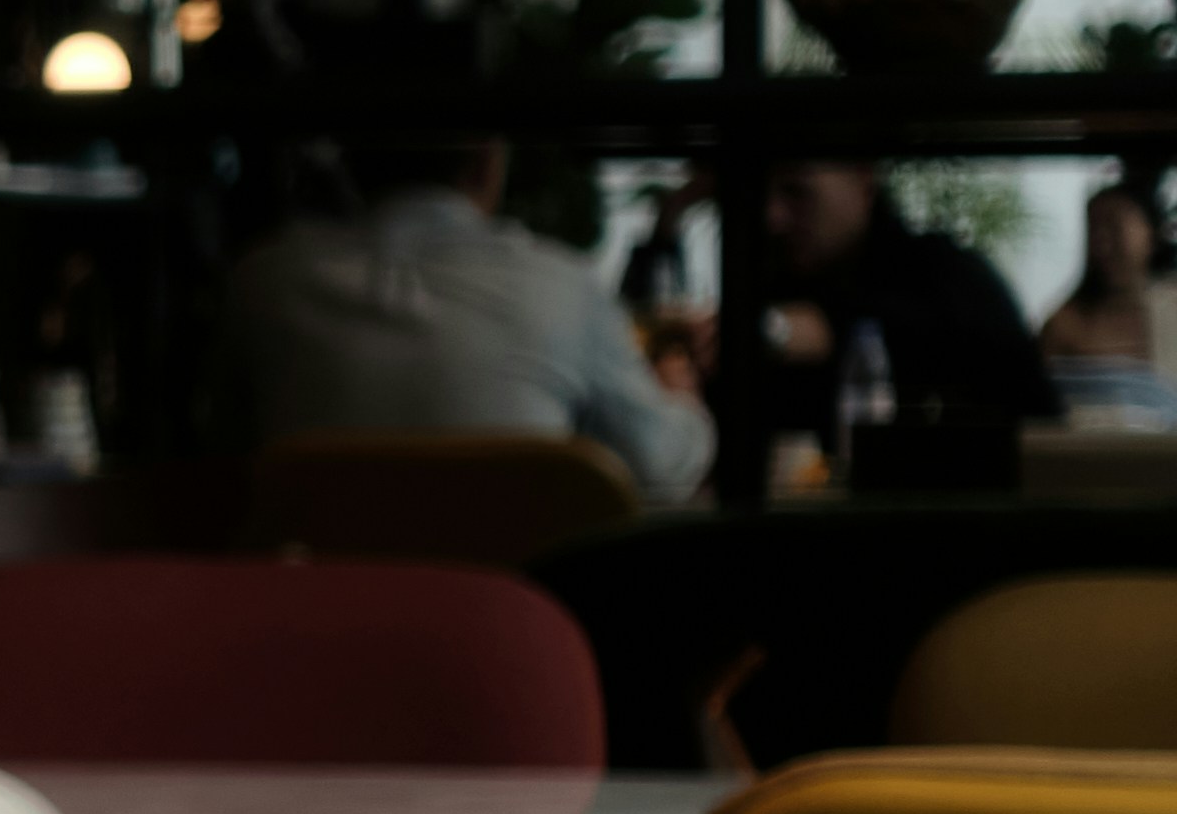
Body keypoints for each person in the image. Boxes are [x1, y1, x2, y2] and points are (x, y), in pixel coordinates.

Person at [221, 138, 714, 500]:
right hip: (511, 620)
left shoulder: (266, 281)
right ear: (485, 162)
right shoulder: (560, 284)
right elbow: (658, 470)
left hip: (312, 613)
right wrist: (683, 399)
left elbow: (216, 447)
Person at [764, 158, 1060, 435]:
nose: (773, 216)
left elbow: (974, 353)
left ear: (862, 179)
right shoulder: (777, 284)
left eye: (796, 191)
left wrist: (808, 329)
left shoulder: (946, 277)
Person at [1040, 179, 1171, 423]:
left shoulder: (1170, 310)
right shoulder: (1065, 325)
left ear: (1150, 232)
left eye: (1114, 227)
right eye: (1094, 229)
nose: (1102, 243)